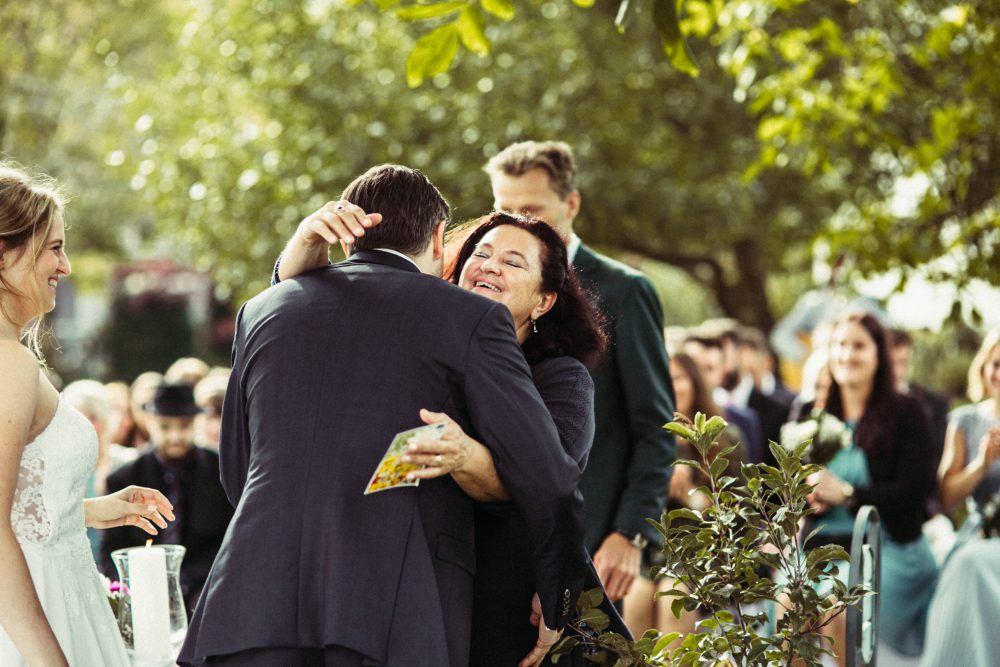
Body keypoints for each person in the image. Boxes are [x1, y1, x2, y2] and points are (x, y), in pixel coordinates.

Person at [179, 165, 588, 667]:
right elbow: (550, 478)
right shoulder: (470, 318)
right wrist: (560, 599)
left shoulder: (261, 310)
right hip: (393, 605)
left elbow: (237, 468)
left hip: (251, 598)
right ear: (440, 239)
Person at [276, 208, 626, 665]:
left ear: (543, 302)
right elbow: (317, 313)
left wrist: (554, 586)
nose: (490, 265)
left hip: (518, 605)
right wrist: (302, 246)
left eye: (513, 262)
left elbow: (549, 483)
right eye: (480, 254)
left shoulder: (561, 379)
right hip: (417, 588)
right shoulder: (418, 354)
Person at [485, 141, 676, 606]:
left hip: (590, 534)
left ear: (571, 204)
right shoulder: (482, 282)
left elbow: (655, 426)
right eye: (503, 210)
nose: (517, 224)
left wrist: (629, 532)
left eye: (531, 209)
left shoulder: (625, 291)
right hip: (496, 533)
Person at [0, 161, 174, 666]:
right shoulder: (9, 361)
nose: (66, 266)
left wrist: (88, 512)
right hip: (39, 622)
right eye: (54, 247)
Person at [803, 311, 938, 661]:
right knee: (789, 603)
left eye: (859, 346)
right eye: (840, 345)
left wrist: (849, 495)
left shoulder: (908, 412)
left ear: (880, 354)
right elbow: (781, 490)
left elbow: (915, 492)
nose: (847, 355)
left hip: (886, 547)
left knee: (838, 603)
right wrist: (807, 497)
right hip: (822, 550)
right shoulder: (810, 414)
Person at [623, 352, 746, 637]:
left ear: (694, 382)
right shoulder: (645, 442)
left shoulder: (724, 439)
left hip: (704, 558)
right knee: (637, 596)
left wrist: (692, 498)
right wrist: (655, 491)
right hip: (652, 555)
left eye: (677, 377)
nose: (670, 385)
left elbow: (738, 518)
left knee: (674, 596)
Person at [99, 383, 234, 612]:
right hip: (142, 595)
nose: (175, 435)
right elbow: (111, 550)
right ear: (150, 422)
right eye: (165, 426)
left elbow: (228, 540)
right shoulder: (124, 479)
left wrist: (187, 580)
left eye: (183, 426)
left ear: (195, 423)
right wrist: (132, 591)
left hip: (207, 590)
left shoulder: (220, 471)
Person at [937, 327, 1000, 516]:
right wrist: (982, 465)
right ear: (983, 368)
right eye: (996, 364)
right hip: (983, 536)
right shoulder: (964, 420)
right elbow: (945, 500)